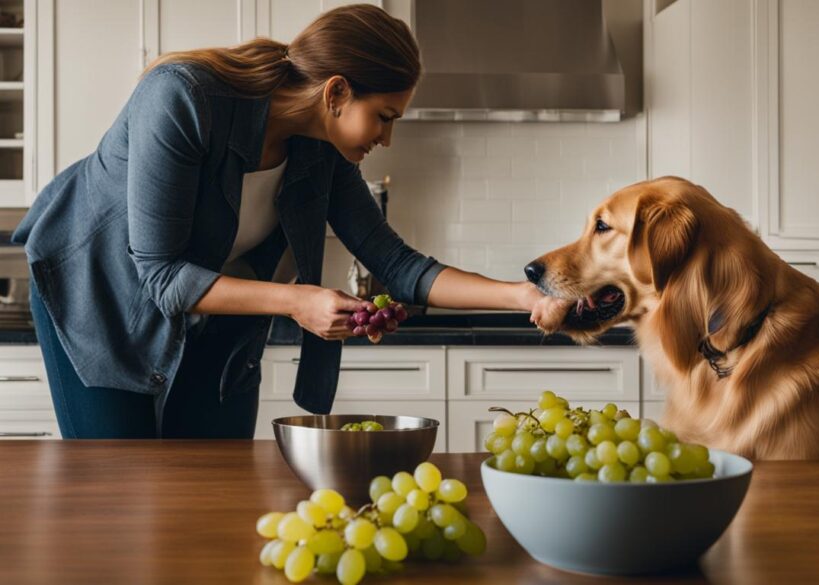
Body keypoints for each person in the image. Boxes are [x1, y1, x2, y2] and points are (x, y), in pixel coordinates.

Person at [12, 4, 554, 439]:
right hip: (99, 296)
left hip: (211, 312)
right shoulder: (183, 97)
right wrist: (299, 301)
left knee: (215, 491)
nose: (386, 139)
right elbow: (160, 275)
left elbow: (397, 263)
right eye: (384, 118)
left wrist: (523, 296)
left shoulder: (323, 151)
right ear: (337, 92)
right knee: (118, 490)